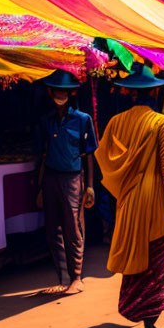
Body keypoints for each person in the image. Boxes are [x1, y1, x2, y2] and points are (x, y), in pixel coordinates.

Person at [95, 63, 164, 328]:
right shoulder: (161, 123)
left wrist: (123, 191)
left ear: (129, 92)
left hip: (128, 203)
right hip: (155, 203)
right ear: (155, 90)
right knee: (155, 266)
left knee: (137, 263)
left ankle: (141, 317)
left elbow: (105, 163)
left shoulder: (115, 123)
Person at [35, 69, 98, 296]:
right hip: (51, 177)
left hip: (73, 178)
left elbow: (89, 154)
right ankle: (62, 278)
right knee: (53, 228)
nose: (60, 94)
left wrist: (89, 185)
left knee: (73, 227)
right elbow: (42, 155)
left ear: (71, 93)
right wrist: (40, 187)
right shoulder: (45, 121)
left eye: (65, 91)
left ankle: (77, 277)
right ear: (50, 92)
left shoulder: (83, 120)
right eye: (57, 90)